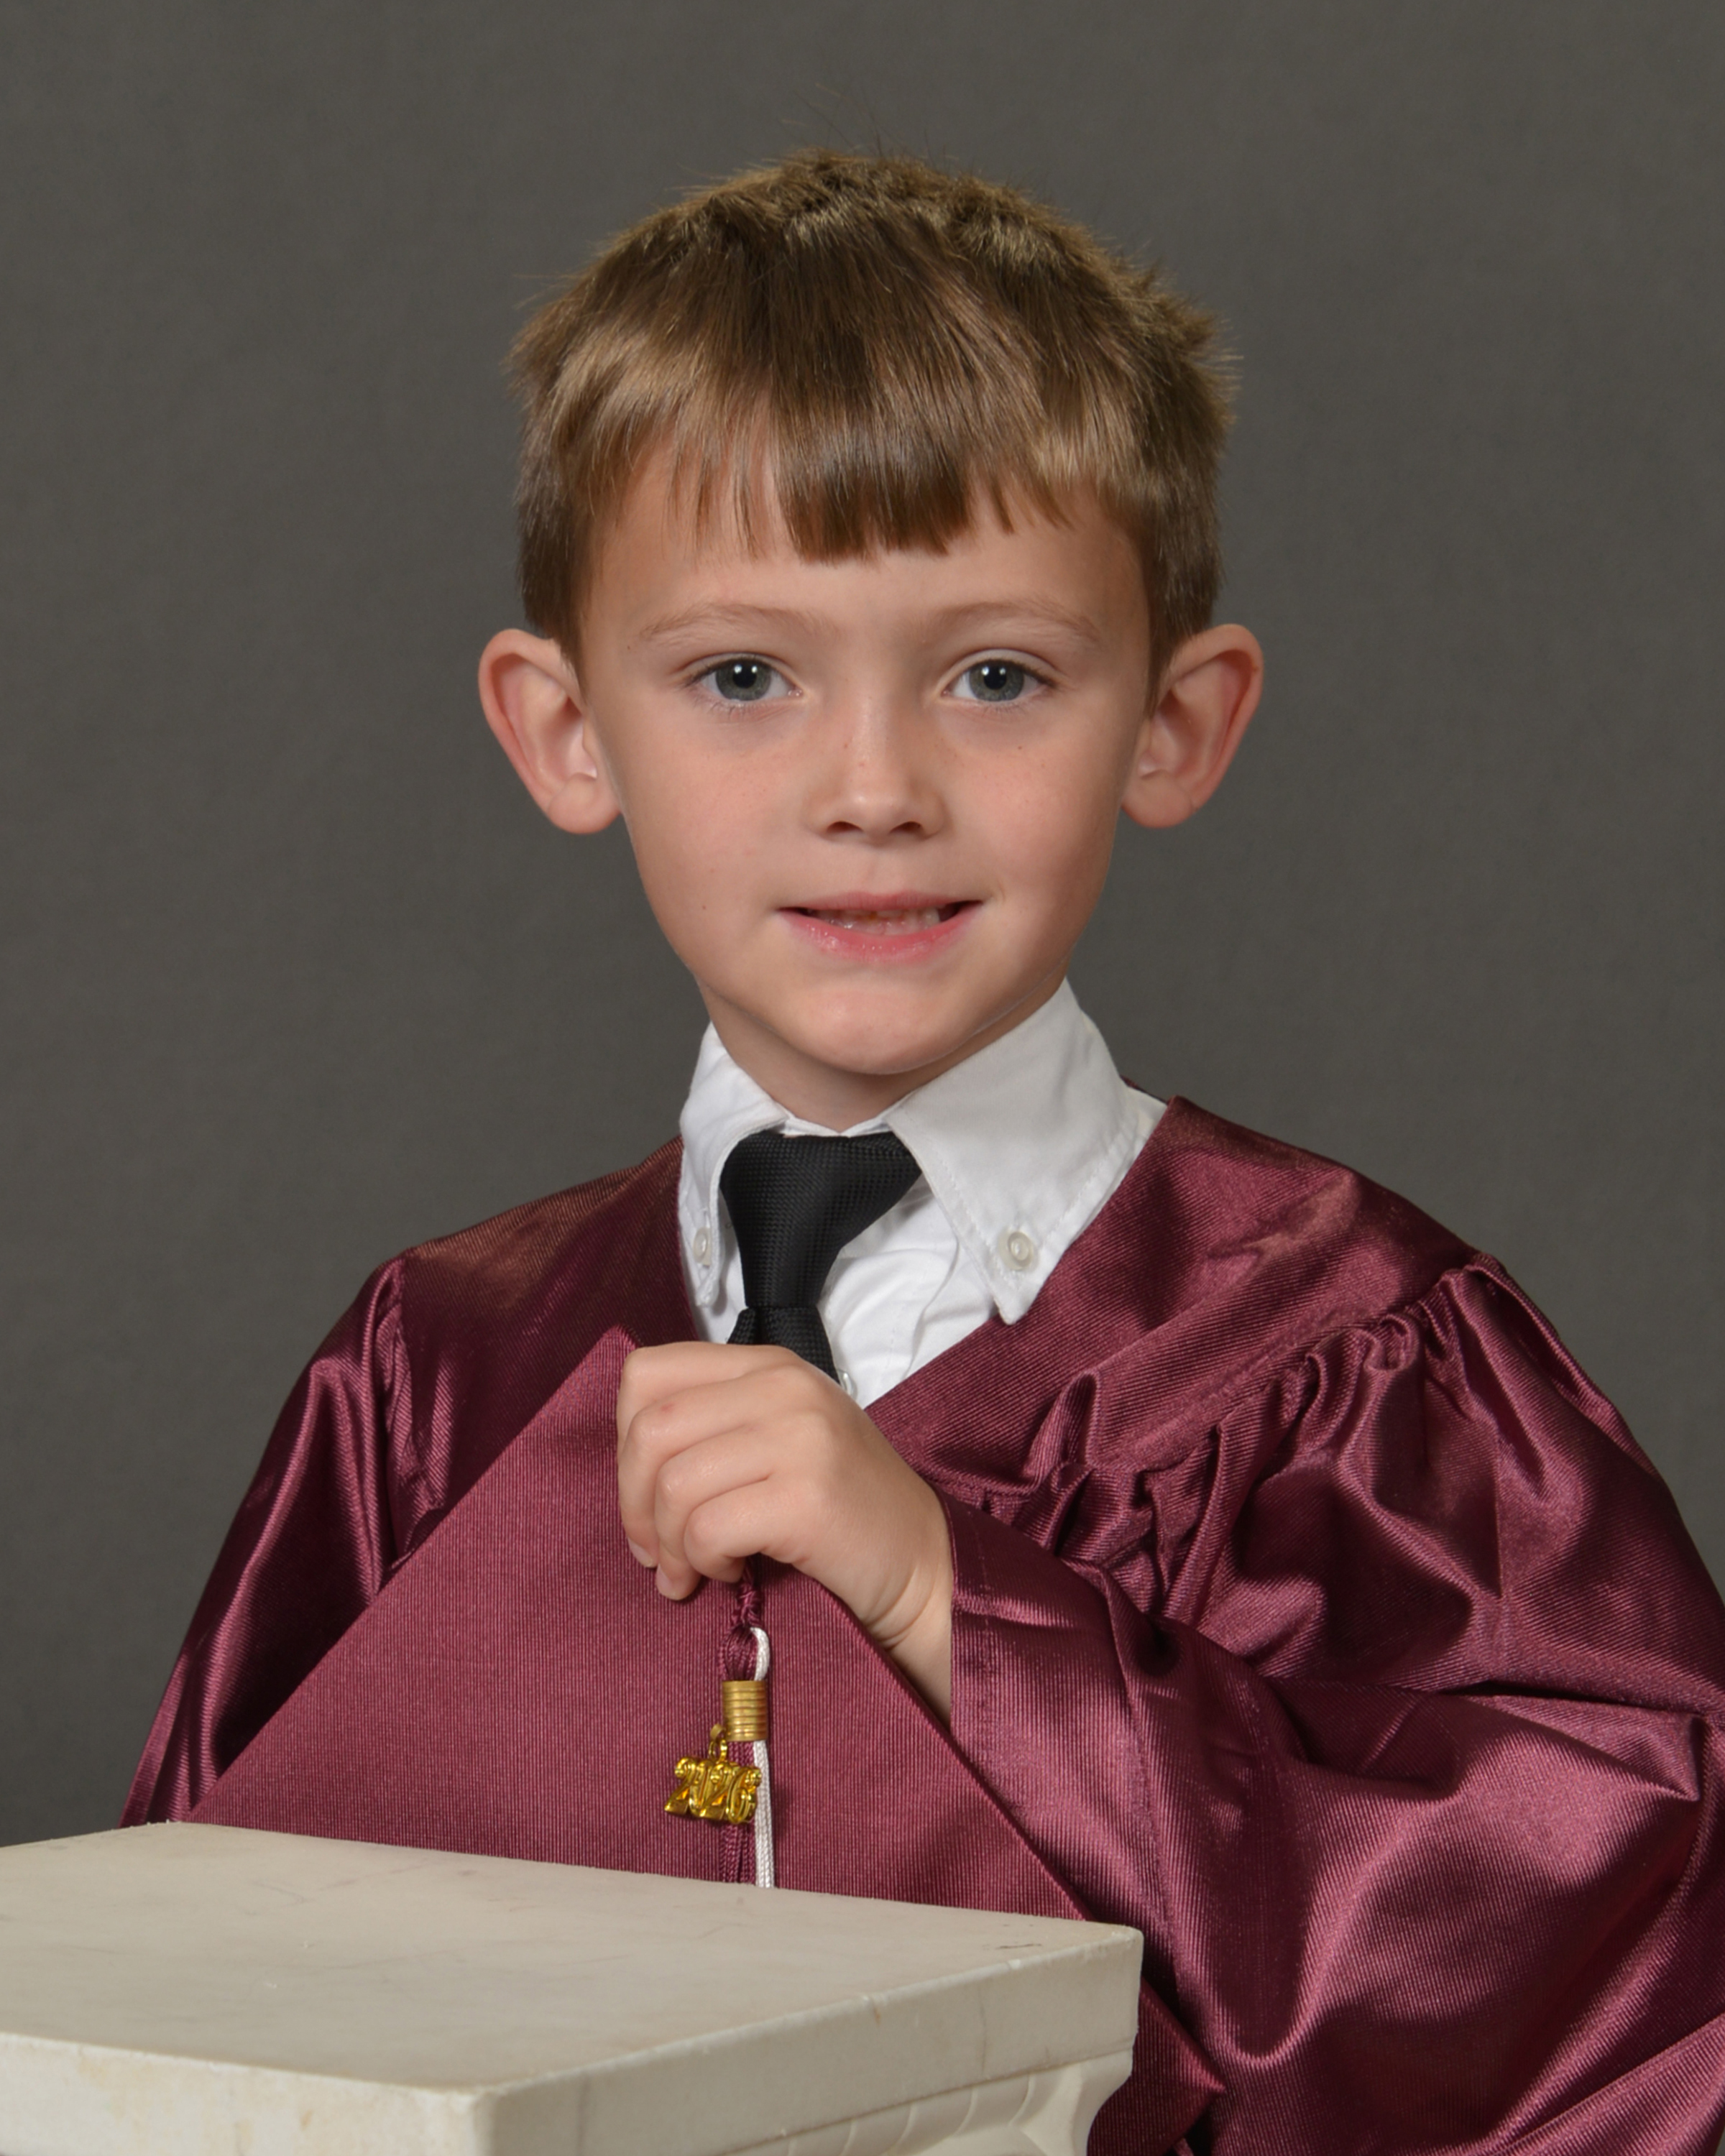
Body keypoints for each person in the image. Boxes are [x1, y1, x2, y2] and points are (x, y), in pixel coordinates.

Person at [124, 152, 1725, 2155]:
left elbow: (1597, 1980)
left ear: (1175, 723)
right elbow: (196, 2006)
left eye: (995, 677)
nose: (873, 788)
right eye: (742, 677)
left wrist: (956, 1604)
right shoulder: (434, 1380)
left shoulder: (1354, 1365)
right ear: (563, 732)